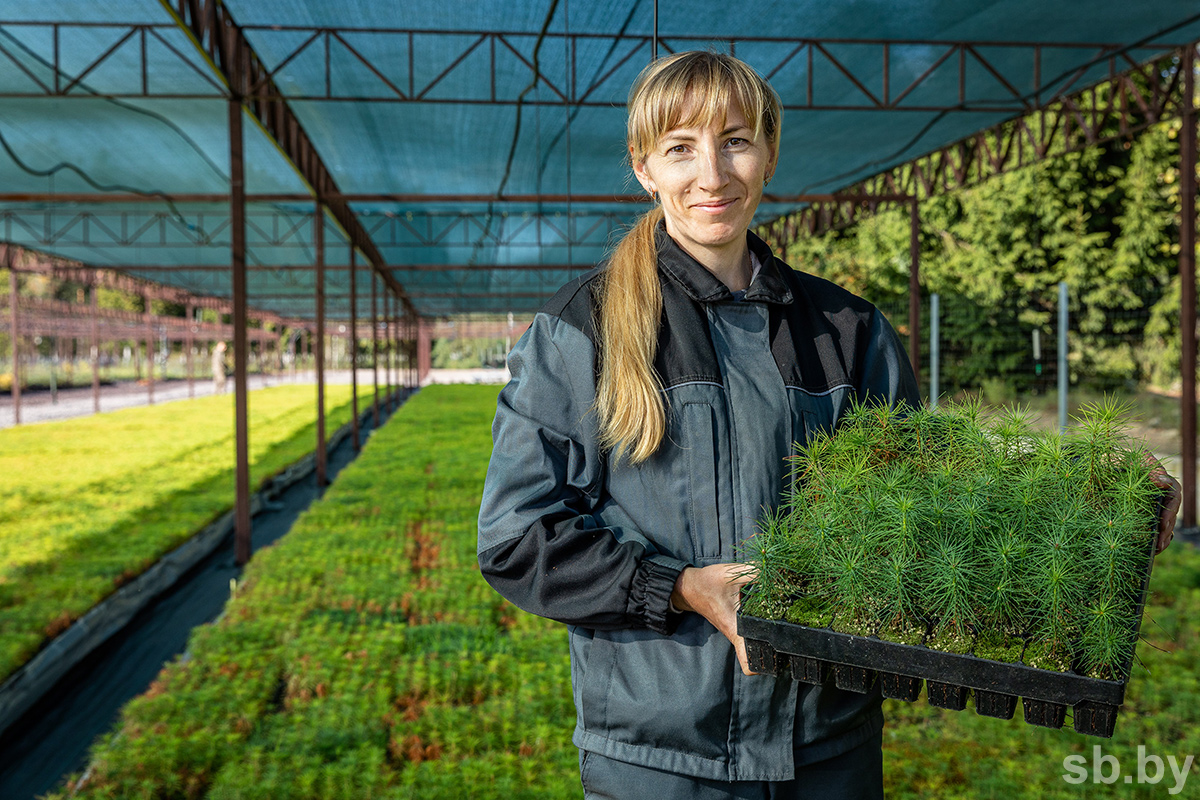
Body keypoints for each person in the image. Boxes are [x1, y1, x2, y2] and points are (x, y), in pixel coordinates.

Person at [477, 51, 1181, 799]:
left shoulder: (847, 329)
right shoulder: (580, 331)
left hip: (828, 745)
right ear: (644, 167)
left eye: (736, 141)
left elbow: (933, 479)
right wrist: (680, 587)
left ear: (770, 153)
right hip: (661, 759)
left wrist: (1094, 481)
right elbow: (518, 539)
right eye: (680, 149)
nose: (711, 175)